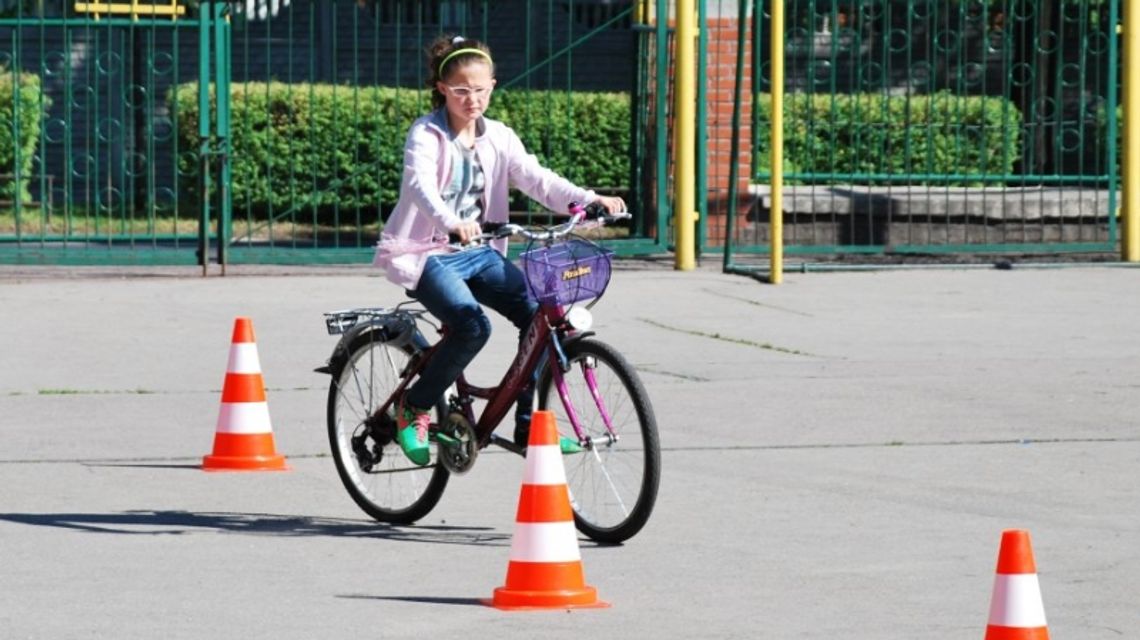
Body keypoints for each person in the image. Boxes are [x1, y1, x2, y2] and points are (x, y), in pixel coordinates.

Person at [373, 35, 626, 465]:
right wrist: (451, 223)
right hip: (429, 253)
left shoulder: (500, 137)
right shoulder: (427, 134)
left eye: (480, 89)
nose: (472, 99)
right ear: (441, 88)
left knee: (540, 319)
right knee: (473, 326)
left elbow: (537, 179)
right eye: (460, 90)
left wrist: (587, 199)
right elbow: (420, 186)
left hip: (481, 251)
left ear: (493, 85)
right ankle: (414, 407)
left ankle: (530, 427)